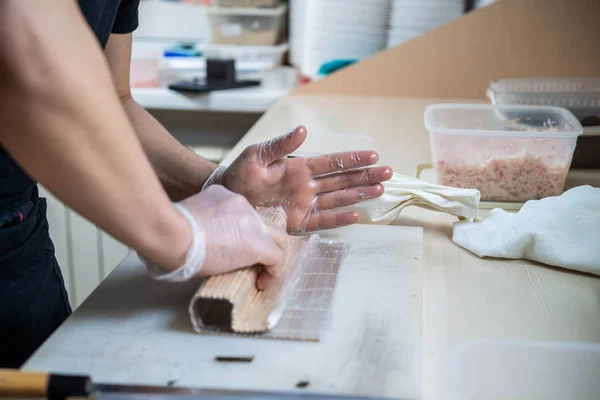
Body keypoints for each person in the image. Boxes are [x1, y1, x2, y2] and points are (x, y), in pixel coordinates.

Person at [0, 0, 393, 368]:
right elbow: (25, 63)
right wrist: (180, 239)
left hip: (18, 235)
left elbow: (111, 99)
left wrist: (212, 182)